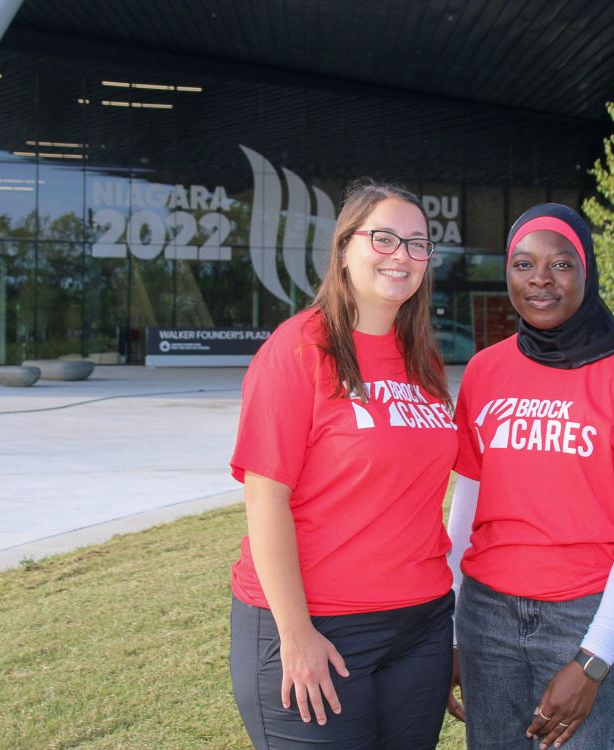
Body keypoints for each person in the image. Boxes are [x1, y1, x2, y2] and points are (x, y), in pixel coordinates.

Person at [446, 203, 614, 750]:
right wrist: (454, 634)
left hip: (588, 614)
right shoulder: (485, 370)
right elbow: (466, 512)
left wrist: (593, 659)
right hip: (487, 617)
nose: (540, 279)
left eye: (561, 264)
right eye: (523, 264)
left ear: (586, 271)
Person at [228, 180, 459, 750]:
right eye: (384, 238)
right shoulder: (299, 348)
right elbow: (265, 498)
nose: (401, 255)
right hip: (319, 625)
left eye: (418, 244)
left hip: (421, 625)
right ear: (344, 248)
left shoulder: (423, 358)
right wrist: (295, 633)